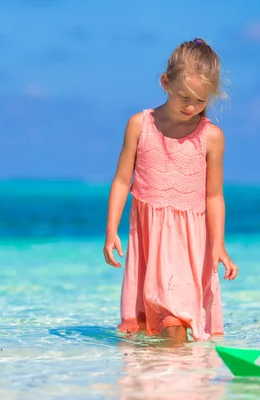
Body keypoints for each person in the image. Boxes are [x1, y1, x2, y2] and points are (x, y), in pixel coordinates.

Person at [103, 38, 238, 342]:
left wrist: (219, 245)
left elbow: (214, 195)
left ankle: (179, 384)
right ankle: (155, 384)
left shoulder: (212, 137)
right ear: (166, 83)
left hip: (189, 245)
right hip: (148, 239)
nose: (191, 106)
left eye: (201, 101)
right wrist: (111, 230)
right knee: (145, 332)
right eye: (184, 96)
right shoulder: (140, 125)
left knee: (175, 326)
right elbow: (122, 181)